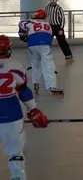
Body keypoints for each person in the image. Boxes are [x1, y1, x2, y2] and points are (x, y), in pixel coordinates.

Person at [0, 34, 48, 180]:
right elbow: (22, 90)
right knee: (15, 153)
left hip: (11, 114)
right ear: (8, 49)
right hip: (11, 114)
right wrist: (33, 109)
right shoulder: (16, 66)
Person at [18, 9, 64, 97]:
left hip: (32, 44)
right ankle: (52, 86)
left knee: (35, 64)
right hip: (45, 45)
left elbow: (21, 23)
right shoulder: (48, 24)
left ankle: (36, 83)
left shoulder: (30, 22)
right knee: (48, 64)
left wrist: (22, 35)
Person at [45, 0, 74, 64]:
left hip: (57, 27)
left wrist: (61, 29)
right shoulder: (47, 7)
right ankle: (45, 56)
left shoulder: (59, 8)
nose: (54, 0)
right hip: (50, 27)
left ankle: (68, 55)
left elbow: (63, 19)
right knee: (47, 42)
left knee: (62, 42)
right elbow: (46, 16)